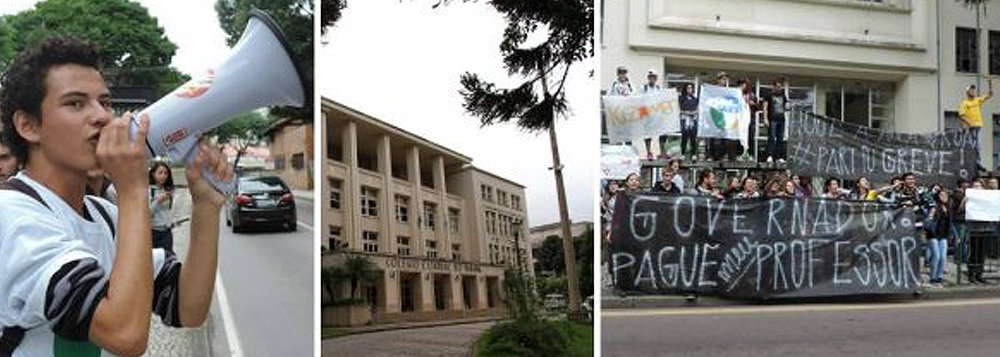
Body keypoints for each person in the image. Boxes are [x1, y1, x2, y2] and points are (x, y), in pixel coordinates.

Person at [0, 36, 233, 356]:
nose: (102, 116)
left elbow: (187, 309)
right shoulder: (11, 215)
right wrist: (134, 187)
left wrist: (206, 207)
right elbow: (125, 334)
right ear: (28, 125)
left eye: (105, 102)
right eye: (76, 103)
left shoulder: (103, 214)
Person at [957, 79, 993, 169]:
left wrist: (990, 85)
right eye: (971, 90)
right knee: (972, 145)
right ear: (967, 92)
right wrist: (969, 123)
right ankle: (972, 162)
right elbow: (961, 115)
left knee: (977, 145)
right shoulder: (965, 103)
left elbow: (990, 95)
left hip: (978, 126)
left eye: (974, 90)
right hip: (970, 128)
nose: (973, 91)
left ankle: (977, 162)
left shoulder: (977, 100)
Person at [926, 189, 953, 286]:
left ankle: (939, 277)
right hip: (933, 234)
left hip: (943, 235)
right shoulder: (934, 207)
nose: (944, 196)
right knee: (936, 256)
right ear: (938, 196)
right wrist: (930, 216)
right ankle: (932, 277)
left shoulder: (948, 208)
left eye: (946, 195)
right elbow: (928, 220)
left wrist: (955, 235)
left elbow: (950, 223)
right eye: (941, 195)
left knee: (943, 257)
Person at [149, 162, 176, 253]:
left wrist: (170, 222)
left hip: (167, 232)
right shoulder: (149, 191)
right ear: (153, 174)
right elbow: (147, 213)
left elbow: (169, 210)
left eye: (166, 173)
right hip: (153, 232)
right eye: (160, 173)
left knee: (168, 260)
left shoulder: (168, 190)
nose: (163, 176)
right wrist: (158, 201)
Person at [763, 78, 790, 164]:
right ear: (774, 86)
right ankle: (769, 155)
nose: (779, 88)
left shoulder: (783, 95)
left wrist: (788, 106)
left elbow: (785, 106)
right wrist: (765, 118)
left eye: (780, 87)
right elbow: (765, 108)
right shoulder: (769, 95)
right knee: (771, 137)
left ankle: (779, 156)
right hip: (772, 119)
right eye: (777, 86)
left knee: (780, 138)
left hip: (781, 119)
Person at [641, 69, 662, 160]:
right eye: (650, 77)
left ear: (656, 78)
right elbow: (639, 100)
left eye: (654, 77)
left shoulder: (658, 88)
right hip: (646, 113)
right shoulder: (643, 88)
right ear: (648, 78)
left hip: (656, 112)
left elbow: (661, 100)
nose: (652, 79)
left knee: (661, 131)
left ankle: (661, 151)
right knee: (647, 134)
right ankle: (649, 152)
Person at [737, 79, 760, 161]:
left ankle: (750, 154)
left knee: (750, 135)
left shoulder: (752, 95)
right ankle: (740, 153)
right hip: (739, 118)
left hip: (750, 118)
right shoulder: (736, 94)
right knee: (740, 136)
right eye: (740, 85)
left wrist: (752, 103)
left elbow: (758, 107)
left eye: (743, 84)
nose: (741, 86)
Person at [678, 83, 699, 161]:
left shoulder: (695, 99)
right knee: (684, 136)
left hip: (693, 119)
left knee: (693, 136)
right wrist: (686, 112)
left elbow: (697, 109)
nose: (690, 89)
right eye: (688, 88)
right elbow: (679, 109)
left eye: (691, 88)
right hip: (684, 118)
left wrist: (695, 113)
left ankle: (693, 154)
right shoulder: (681, 98)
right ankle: (683, 153)